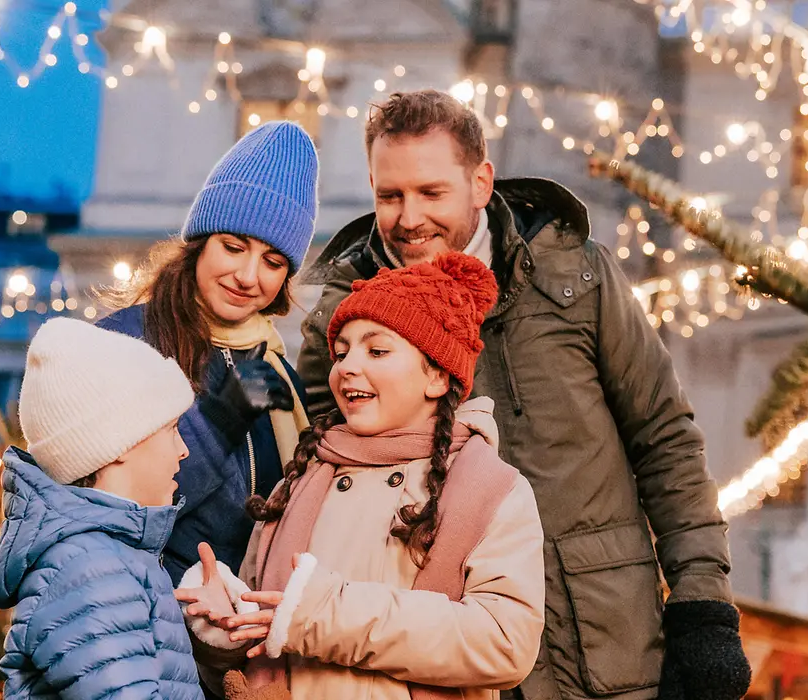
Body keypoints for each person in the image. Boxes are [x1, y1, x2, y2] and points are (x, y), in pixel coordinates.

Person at [296, 90, 751, 700]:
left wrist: (702, 608)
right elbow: (326, 482)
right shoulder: (342, 321)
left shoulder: (576, 279)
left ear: (481, 182)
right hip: (432, 659)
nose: (409, 219)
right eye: (390, 195)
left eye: (432, 193)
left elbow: (663, 438)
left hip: (596, 645)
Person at [179, 253, 545, 700]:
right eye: (341, 352)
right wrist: (226, 629)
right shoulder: (296, 483)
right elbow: (258, 650)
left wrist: (324, 615)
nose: (347, 366)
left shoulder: (489, 490)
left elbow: (504, 642)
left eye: (376, 350)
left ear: (436, 375)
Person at [98, 120, 318, 585]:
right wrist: (219, 421)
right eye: (234, 247)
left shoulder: (273, 363)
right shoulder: (125, 343)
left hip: (241, 631)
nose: (248, 275)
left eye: (273, 262)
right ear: (199, 244)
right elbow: (111, 509)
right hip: (152, 617)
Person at [0, 318, 205, 699]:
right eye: (171, 428)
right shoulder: (90, 569)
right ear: (120, 445)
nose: (183, 449)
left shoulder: (108, 557)